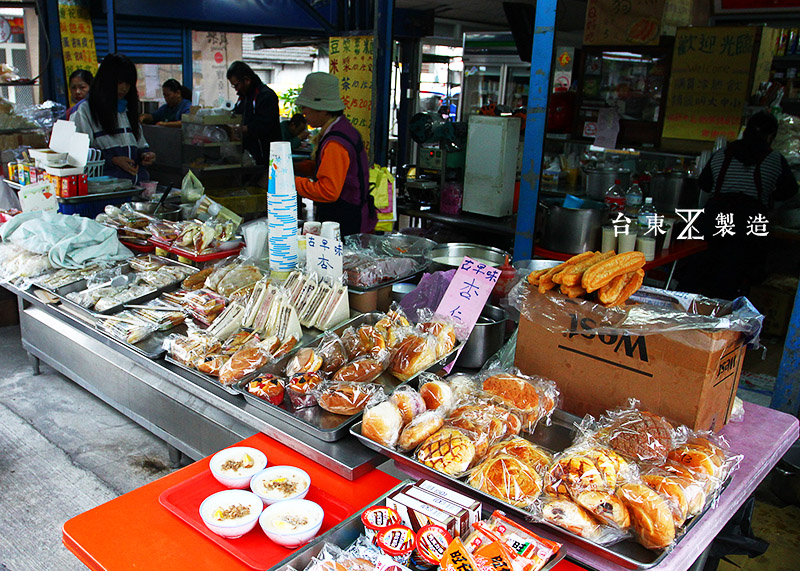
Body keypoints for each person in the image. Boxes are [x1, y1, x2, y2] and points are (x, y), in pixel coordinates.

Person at [682, 111, 798, 299]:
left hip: (715, 216)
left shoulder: (722, 154)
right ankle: (721, 324)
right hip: (749, 220)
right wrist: (770, 195)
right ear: (771, 135)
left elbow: (704, 184)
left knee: (696, 269)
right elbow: (790, 190)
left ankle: (681, 315)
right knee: (732, 275)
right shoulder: (774, 159)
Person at [293, 72, 377, 236]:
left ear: (324, 110)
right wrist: (296, 168)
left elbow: (328, 191)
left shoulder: (335, 143)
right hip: (351, 214)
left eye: (306, 107)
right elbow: (331, 170)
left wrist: (289, 182)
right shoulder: (341, 128)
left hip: (346, 222)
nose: (303, 112)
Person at [72, 53, 155, 183]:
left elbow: (140, 144)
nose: (124, 88)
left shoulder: (127, 109)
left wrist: (144, 155)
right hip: (104, 189)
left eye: (128, 84)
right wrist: (113, 160)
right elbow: (79, 154)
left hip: (135, 187)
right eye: (119, 82)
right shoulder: (85, 111)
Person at [226, 61, 280, 165]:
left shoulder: (266, 96)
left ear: (247, 80)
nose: (236, 89)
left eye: (236, 85)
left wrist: (243, 129)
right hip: (249, 156)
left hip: (266, 156)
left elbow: (265, 125)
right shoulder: (243, 98)